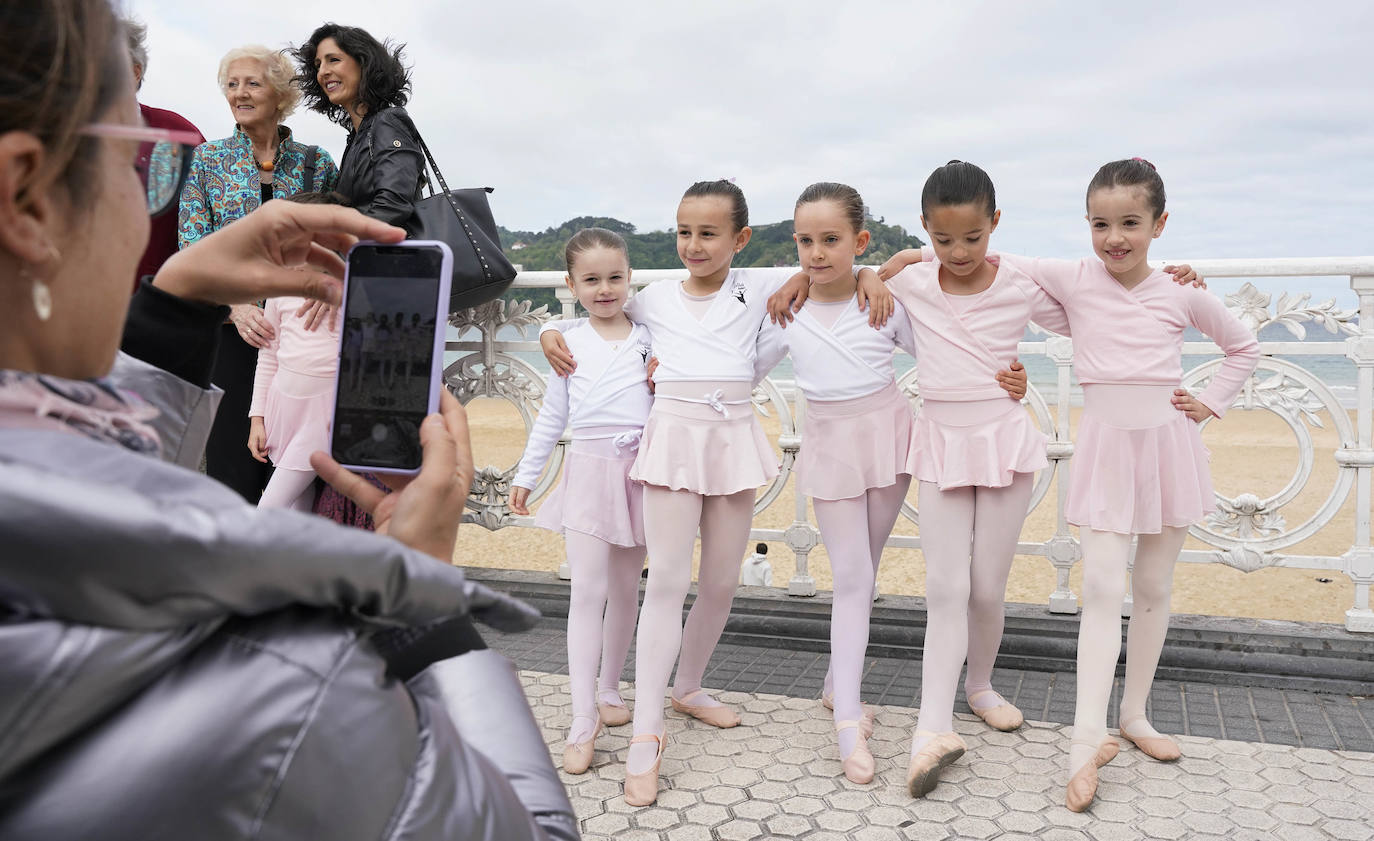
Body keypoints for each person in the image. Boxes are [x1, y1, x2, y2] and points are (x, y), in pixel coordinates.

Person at [0, 5, 576, 838]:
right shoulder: (280, 674)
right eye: (139, 163)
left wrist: (164, 321)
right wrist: (422, 614)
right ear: (26, 197)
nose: (146, 216)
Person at [883, 158, 1258, 811]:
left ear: (1159, 224)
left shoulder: (1178, 289)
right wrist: (901, 256)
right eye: (1101, 223)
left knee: (1153, 586)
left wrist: (1208, 401)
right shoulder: (1070, 275)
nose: (1115, 236)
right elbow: (983, 256)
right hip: (1106, 446)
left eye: (1131, 223)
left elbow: (1242, 345)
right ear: (1086, 225)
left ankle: (1135, 715)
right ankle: (1086, 738)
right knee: (1100, 586)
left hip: (1170, 444)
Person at [541, 180, 891, 806]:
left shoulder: (758, 287)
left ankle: (689, 686)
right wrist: (549, 334)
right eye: (684, 232)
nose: (693, 245)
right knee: (668, 581)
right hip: (673, 439)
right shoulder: (651, 299)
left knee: (723, 581)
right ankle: (647, 731)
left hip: (732, 439)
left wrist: (872, 277)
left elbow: (829, 263)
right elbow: (598, 316)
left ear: (741, 239)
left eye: (708, 233)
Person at [756, 181, 1029, 785]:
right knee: (850, 578)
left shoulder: (884, 302)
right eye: (805, 241)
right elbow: (733, 351)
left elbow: (946, 342)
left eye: (831, 240)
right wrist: (654, 371)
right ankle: (849, 721)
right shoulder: (784, 306)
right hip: (829, 446)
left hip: (888, 439)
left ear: (859, 241)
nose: (816, 253)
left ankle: (836, 684)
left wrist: (1010, 376)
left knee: (868, 568)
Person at [510, 228, 651, 774]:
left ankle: (612, 688)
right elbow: (552, 417)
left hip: (641, 472)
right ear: (571, 285)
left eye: (615, 277)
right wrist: (528, 474)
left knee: (625, 589)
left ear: (630, 278)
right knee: (587, 593)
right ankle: (582, 714)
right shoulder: (569, 343)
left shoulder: (648, 335)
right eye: (591, 280)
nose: (605, 289)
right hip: (589, 472)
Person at [178, 44, 339, 504]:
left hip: (306, 337)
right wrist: (234, 307)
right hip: (232, 335)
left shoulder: (317, 163)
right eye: (231, 84)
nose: (239, 93)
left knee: (306, 472)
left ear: (280, 94)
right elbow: (192, 248)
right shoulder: (208, 161)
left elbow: (336, 239)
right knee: (232, 465)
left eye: (252, 82)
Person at [292, 23, 423, 229]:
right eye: (318, 65)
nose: (323, 72)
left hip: (387, 257)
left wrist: (336, 239)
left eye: (333, 60)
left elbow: (393, 205)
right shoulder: (358, 136)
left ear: (364, 63)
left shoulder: (388, 123)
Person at [121, 14, 204, 291]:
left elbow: (208, 223)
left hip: (159, 303)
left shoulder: (180, 136)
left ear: (134, 72)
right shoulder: (68, 138)